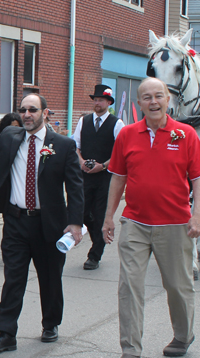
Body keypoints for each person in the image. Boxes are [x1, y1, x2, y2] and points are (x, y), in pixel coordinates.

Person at [0, 80, 84, 352]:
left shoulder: (62, 145)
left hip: (49, 224)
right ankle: (6, 333)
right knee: (13, 277)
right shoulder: (9, 138)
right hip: (16, 221)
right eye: (23, 110)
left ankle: (50, 323)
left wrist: (74, 223)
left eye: (33, 110)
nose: (27, 114)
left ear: (45, 113)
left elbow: (75, 187)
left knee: (50, 277)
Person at [102, 77, 200, 358]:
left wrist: (197, 214)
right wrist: (109, 216)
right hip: (135, 223)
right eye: (147, 97)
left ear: (167, 100)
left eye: (158, 96)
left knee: (177, 285)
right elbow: (118, 177)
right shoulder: (127, 134)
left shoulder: (185, 134)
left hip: (175, 224)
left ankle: (182, 336)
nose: (153, 102)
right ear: (139, 103)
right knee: (130, 286)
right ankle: (131, 348)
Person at [73, 84, 125, 270]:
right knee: (84, 212)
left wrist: (102, 166)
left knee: (101, 213)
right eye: (95, 100)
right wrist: (81, 162)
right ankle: (97, 238)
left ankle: (95, 255)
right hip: (85, 176)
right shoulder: (84, 121)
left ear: (108, 102)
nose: (97, 103)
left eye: (100, 100)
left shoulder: (116, 124)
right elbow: (75, 145)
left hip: (105, 177)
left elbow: (120, 152)